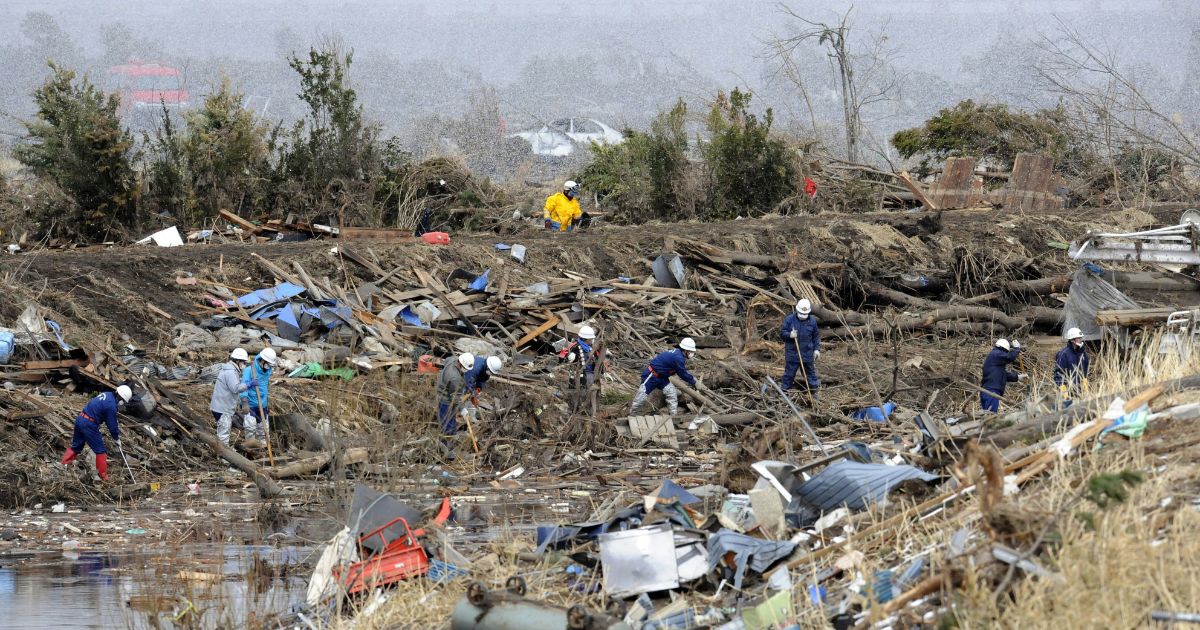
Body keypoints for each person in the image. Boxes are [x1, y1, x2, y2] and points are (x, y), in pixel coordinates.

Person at [60, 385, 132, 481]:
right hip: (89, 424)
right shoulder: (111, 406)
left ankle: (64, 463)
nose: (122, 403)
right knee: (100, 450)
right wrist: (116, 438)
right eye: (123, 400)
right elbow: (112, 426)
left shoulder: (107, 394)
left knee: (76, 446)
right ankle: (103, 476)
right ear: (120, 397)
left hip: (81, 418)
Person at [629, 338, 698, 416]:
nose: (692, 353)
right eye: (691, 352)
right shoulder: (678, 358)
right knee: (641, 395)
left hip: (662, 378)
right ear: (685, 350)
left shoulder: (678, 354)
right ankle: (632, 414)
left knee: (671, 392)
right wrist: (693, 381)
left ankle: (673, 415)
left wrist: (692, 380)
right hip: (652, 376)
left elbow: (681, 370)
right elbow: (682, 373)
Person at [211, 348, 256, 446]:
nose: (244, 365)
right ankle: (223, 457)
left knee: (222, 432)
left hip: (220, 406)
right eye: (243, 362)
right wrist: (248, 385)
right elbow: (235, 388)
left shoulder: (229, 370)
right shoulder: (230, 372)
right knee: (223, 435)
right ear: (238, 361)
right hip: (223, 408)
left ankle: (222, 454)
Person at [781, 299, 820, 395]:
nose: (802, 316)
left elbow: (816, 336)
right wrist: (789, 334)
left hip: (807, 353)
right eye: (801, 313)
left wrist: (816, 349)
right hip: (793, 353)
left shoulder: (812, 321)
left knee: (810, 374)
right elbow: (782, 333)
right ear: (797, 310)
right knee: (789, 374)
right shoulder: (789, 319)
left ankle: (814, 392)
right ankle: (784, 392)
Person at [240, 348, 276, 441]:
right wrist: (244, 402)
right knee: (250, 427)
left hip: (262, 404)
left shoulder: (267, 372)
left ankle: (263, 447)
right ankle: (250, 446)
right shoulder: (249, 370)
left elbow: (265, 388)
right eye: (268, 364)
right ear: (263, 361)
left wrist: (267, 403)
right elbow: (243, 386)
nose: (269, 367)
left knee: (264, 428)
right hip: (251, 404)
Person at [980, 339, 1026, 412]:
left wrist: (1017, 377)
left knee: (987, 414)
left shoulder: (995, 361)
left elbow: (1002, 375)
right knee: (991, 414)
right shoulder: (996, 353)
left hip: (989, 390)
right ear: (1003, 349)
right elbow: (1010, 357)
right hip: (992, 391)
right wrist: (1016, 349)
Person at [436, 353, 473, 434]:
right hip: (445, 399)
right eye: (465, 368)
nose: (466, 370)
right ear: (460, 363)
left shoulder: (453, 359)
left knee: (450, 420)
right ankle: (446, 443)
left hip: (443, 389)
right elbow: (455, 397)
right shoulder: (455, 377)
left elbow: (445, 361)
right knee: (447, 425)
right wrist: (463, 409)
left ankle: (449, 435)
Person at [1055, 327, 1090, 401]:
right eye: (1078, 338)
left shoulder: (1083, 354)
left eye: (1081, 338)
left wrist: (1085, 386)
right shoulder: (1063, 354)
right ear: (1072, 340)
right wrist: (1064, 391)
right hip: (1068, 391)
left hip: (1080, 391)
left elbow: (1085, 372)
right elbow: (1059, 374)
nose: (1081, 340)